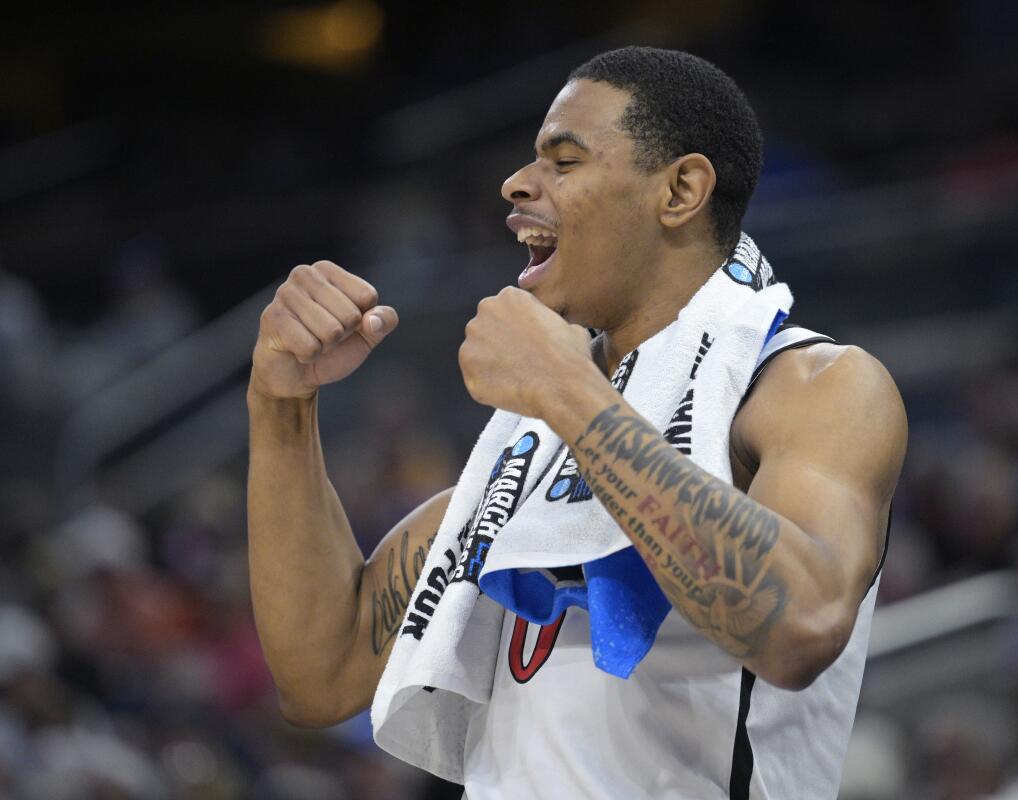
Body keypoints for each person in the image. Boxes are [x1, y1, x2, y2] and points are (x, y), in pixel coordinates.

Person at [246, 46, 907, 799]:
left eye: (564, 160)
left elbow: (802, 626)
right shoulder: (528, 446)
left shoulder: (812, 385)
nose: (518, 183)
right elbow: (320, 674)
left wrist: (568, 390)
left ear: (681, 189)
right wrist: (280, 407)